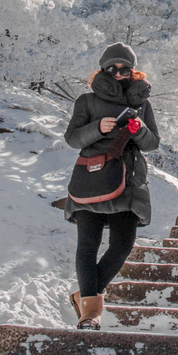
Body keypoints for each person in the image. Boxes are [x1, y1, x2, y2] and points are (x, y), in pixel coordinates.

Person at [63, 42, 159, 330]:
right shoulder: (87, 101)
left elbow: (153, 143)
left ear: (133, 71)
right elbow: (72, 138)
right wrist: (98, 128)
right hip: (93, 176)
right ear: (103, 69)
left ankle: (86, 295)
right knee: (88, 245)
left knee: (122, 246)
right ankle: (90, 311)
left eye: (124, 69)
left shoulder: (143, 103)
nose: (118, 73)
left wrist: (139, 129)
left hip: (129, 180)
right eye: (112, 69)